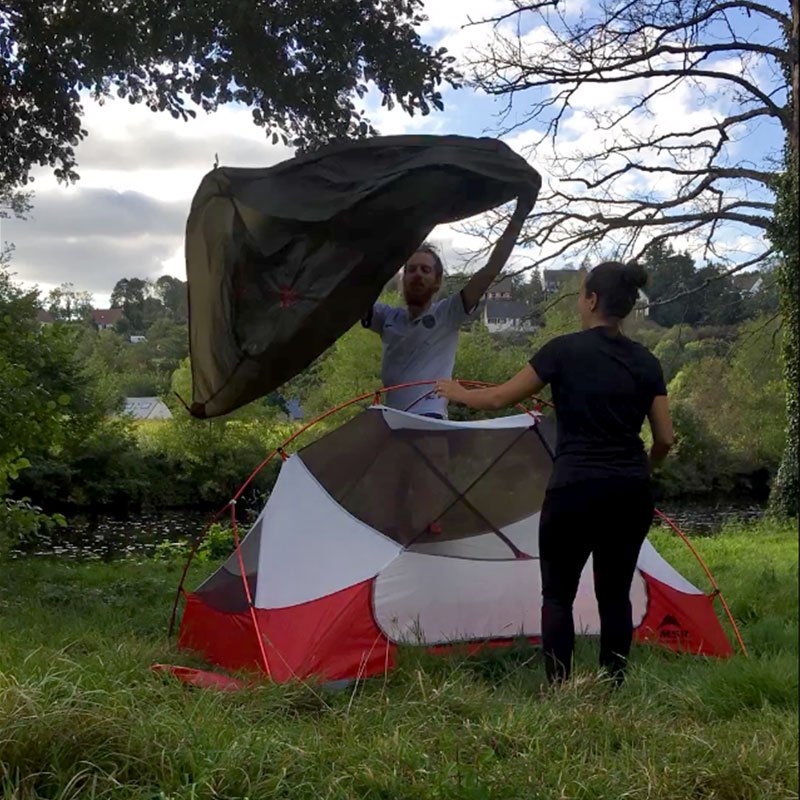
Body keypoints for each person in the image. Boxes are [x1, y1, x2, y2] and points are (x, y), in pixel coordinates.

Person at [435, 261, 674, 685]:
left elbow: (498, 399)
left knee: (558, 595)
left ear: (593, 300)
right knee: (615, 593)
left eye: (582, 293)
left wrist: (458, 393)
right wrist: (646, 467)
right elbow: (665, 439)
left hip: (575, 489)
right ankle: (611, 684)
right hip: (629, 492)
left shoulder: (562, 351)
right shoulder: (647, 362)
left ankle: (559, 687)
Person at [362, 193, 534, 418]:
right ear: (401, 278)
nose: (417, 275)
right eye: (411, 269)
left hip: (430, 418)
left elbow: (490, 271)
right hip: (391, 418)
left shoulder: (447, 313)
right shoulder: (386, 316)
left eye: (425, 270)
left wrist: (519, 216)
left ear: (437, 281)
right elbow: (354, 290)